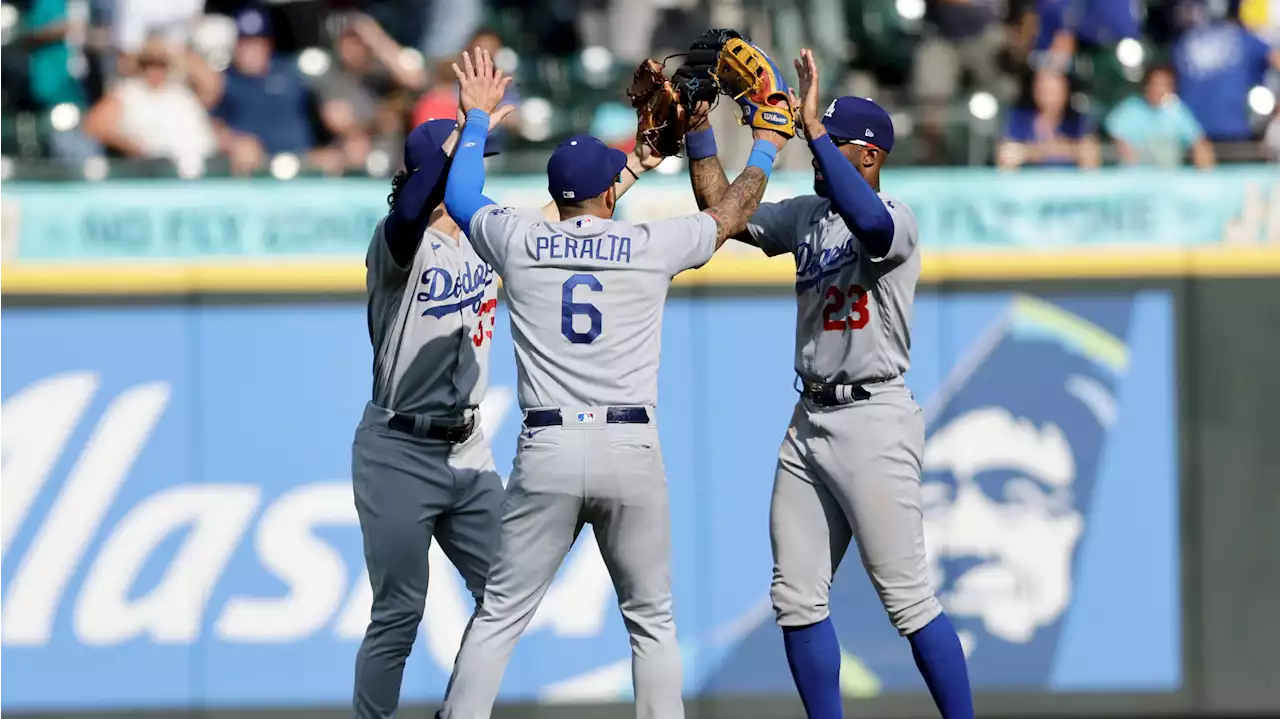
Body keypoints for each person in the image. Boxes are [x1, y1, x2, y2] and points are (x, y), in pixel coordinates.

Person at [435, 46, 787, 718]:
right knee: (651, 621)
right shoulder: (647, 244)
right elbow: (729, 215)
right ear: (609, 192)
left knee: (500, 614)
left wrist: (475, 118)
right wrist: (764, 144)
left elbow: (460, 196)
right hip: (630, 446)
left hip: (549, 448)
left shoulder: (520, 240)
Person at [351, 57, 663, 719]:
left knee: (502, 596)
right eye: (470, 152)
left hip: (466, 449)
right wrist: (464, 122)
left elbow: (569, 218)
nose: (479, 161)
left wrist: (635, 163)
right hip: (398, 448)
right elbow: (411, 207)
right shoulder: (397, 246)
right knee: (400, 611)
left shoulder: (492, 239)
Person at [684, 48, 974, 718]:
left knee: (907, 599)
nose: (819, 157)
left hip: (874, 418)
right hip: (809, 419)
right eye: (822, 144)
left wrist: (811, 125)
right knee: (796, 595)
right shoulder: (808, 216)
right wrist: (700, 133)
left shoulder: (895, 218)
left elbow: (868, 224)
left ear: (867, 156)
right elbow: (721, 216)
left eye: (836, 146)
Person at [82, 36, 221, 169]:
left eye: (161, 64)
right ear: (141, 66)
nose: (155, 69)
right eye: (149, 63)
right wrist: (131, 145)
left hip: (196, 165)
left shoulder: (181, 93)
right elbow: (94, 126)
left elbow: (213, 88)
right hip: (150, 170)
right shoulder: (128, 92)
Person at [1105, 63, 1215, 169]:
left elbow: (1199, 143)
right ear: (1146, 86)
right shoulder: (1129, 110)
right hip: (1133, 179)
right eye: (1156, 84)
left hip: (1170, 179)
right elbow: (1118, 141)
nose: (1159, 89)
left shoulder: (1177, 111)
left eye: (1165, 85)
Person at [996, 68, 1101, 170]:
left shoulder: (1078, 120)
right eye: (1043, 91)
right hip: (1028, 182)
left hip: (1068, 181)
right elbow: (1007, 153)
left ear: (1065, 92)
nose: (1049, 97)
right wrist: (1065, 150)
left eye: (1055, 91)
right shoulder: (1020, 117)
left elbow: (1089, 152)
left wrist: (1031, 151)